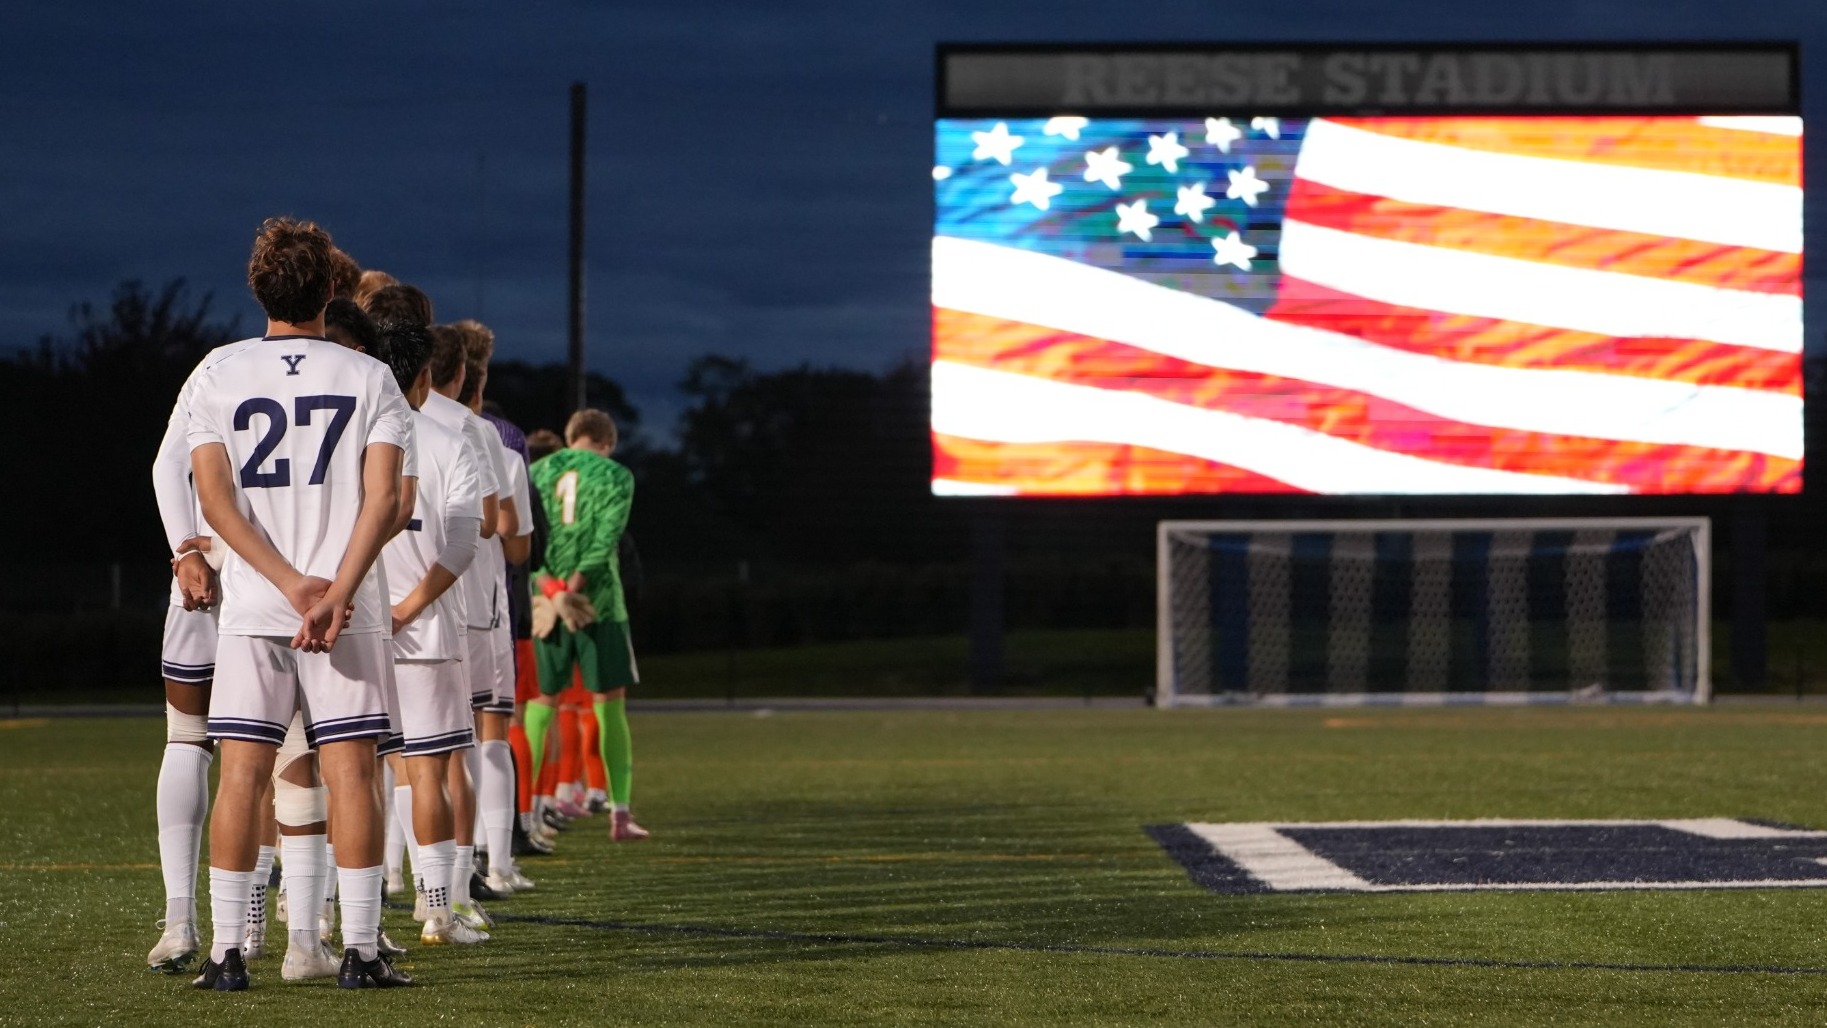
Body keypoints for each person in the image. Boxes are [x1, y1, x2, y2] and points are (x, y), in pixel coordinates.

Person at [183, 216, 412, 991]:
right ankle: (362, 951)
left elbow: (213, 501)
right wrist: (335, 590)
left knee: (241, 774)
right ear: (330, 290)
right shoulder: (368, 375)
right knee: (350, 772)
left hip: (257, 605)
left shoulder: (218, 371)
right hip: (346, 607)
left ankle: (225, 954)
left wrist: (286, 585)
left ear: (259, 287)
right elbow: (383, 501)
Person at [373, 318, 489, 945]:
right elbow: (465, 546)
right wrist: (409, 607)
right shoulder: (450, 438)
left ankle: (345, 916)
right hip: (427, 638)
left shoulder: (353, 437)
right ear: (423, 376)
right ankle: (437, 909)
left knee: (355, 772)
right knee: (429, 771)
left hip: (355, 630)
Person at [417, 323, 509, 932]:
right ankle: (454, 897)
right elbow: (488, 525)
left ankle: (322, 910)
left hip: (350, 606)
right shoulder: (467, 429)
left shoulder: (364, 417)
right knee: (452, 754)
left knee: (359, 763)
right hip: (451, 609)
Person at [527, 409, 649, 842]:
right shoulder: (616, 475)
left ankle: (528, 814)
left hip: (545, 600)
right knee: (609, 705)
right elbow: (606, 537)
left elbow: (525, 536)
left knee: (541, 704)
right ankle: (619, 813)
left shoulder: (536, 469)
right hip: (597, 603)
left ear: (571, 436)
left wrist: (552, 589)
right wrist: (575, 588)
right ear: (607, 443)